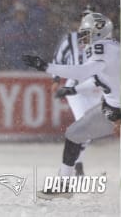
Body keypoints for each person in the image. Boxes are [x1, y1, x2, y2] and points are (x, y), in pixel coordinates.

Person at [22, 12, 120, 199]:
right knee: (74, 134)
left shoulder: (101, 49)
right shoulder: (112, 48)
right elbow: (102, 79)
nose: (82, 36)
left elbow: (83, 71)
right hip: (111, 107)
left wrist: (46, 67)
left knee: (75, 134)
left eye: (86, 32)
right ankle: (64, 184)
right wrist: (73, 91)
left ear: (98, 32)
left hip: (115, 109)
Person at [50, 6, 101, 176]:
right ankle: (74, 165)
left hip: (95, 88)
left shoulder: (103, 41)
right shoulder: (70, 40)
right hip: (75, 88)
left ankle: (78, 162)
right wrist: (56, 80)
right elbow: (58, 59)